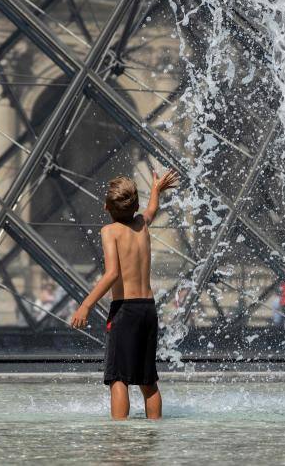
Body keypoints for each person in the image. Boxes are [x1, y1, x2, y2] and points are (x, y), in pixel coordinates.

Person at [71, 169, 178, 421]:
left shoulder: (110, 232)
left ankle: (119, 440)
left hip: (125, 311)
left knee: (118, 378)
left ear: (107, 207)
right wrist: (156, 189)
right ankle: (154, 431)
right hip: (147, 309)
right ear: (134, 205)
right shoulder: (142, 224)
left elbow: (112, 274)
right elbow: (151, 210)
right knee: (147, 380)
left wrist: (85, 305)